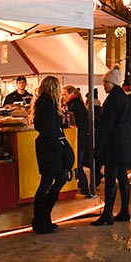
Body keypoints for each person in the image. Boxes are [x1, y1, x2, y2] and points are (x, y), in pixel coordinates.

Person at [90, 66, 131, 225]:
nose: (103, 85)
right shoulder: (124, 98)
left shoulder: (112, 101)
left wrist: (100, 146)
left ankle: (108, 213)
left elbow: (107, 126)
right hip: (125, 142)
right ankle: (125, 210)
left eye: (105, 82)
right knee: (122, 177)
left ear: (112, 83)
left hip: (114, 144)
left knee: (110, 178)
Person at [31, 76, 67, 234]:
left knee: (51, 180)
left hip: (45, 146)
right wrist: (59, 148)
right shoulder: (49, 104)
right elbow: (51, 128)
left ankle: (43, 218)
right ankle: (41, 219)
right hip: (50, 148)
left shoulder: (41, 103)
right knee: (51, 181)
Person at [62, 85, 92, 197]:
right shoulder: (77, 105)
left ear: (71, 94)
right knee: (78, 164)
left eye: (65, 94)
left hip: (78, 139)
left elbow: (74, 124)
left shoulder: (74, 107)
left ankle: (85, 188)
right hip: (82, 138)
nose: (63, 97)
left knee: (77, 165)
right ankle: (84, 187)